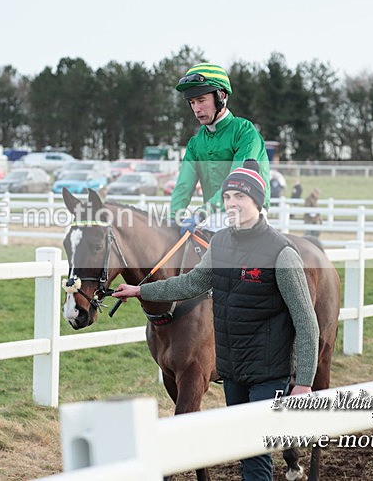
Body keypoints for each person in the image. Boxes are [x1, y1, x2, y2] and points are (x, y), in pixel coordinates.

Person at [112, 159, 319, 481]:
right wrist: (141, 290)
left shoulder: (282, 253)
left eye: (241, 197)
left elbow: (306, 321)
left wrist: (304, 381)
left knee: (253, 451)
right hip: (233, 369)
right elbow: (192, 283)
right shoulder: (220, 243)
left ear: (258, 202)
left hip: (270, 369)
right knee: (241, 447)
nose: (233, 203)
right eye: (228, 197)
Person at [170, 63, 271, 232]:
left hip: (247, 212)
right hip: (212, 216)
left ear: (221, 96)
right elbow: (183, 186)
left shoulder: (245, 132)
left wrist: (201, 213)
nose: (196, 109)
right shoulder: (195, 143)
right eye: (192, 102)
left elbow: (236, 182)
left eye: (201, 100)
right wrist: (172, 218)